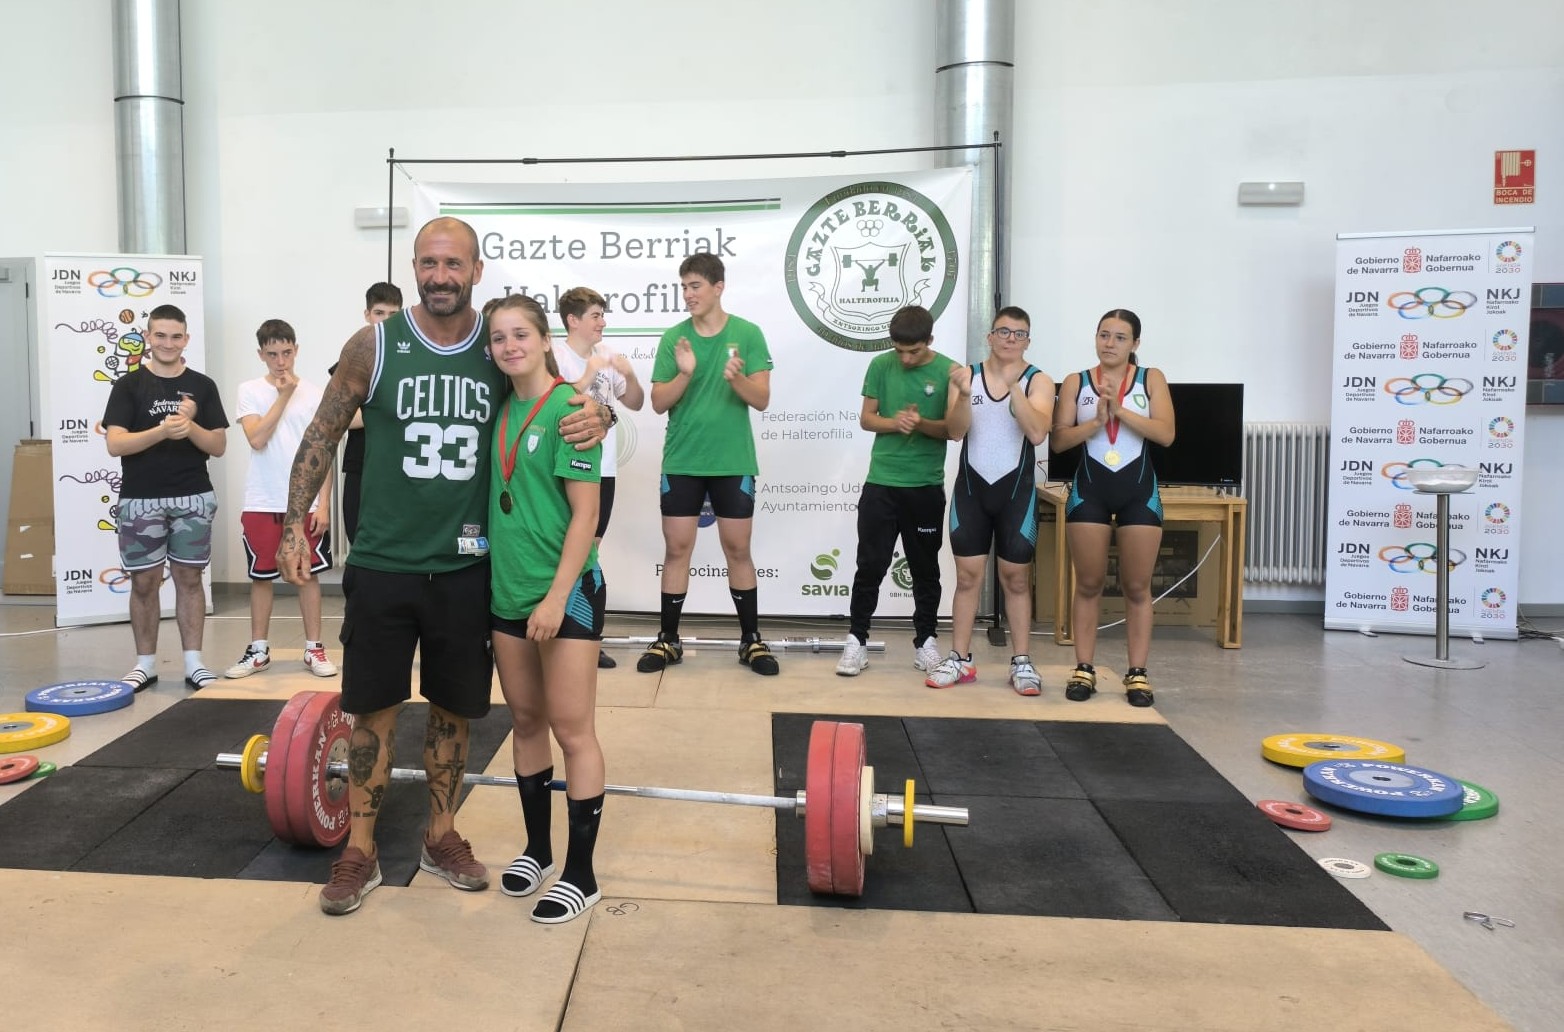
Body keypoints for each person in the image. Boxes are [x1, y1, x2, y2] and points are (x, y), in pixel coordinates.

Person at [276, 216, 611, 917]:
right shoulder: (375, 344)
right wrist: (291, 526)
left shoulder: (496, 351)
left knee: (456, 713)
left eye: (452, 263)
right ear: (414, 267)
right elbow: (320, 433)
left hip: (465, 570)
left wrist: (601, 413)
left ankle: (441, 834)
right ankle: (360, 851)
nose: (439, 275)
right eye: (428, 262)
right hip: (384, 562)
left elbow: (566, 394)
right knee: (372, 712)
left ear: (476, 270)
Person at [485, 295, 608, 924]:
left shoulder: (571, 410)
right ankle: (537, 848)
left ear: (543, 339)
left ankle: (581, 873)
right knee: (526, 723)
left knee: (571, 728)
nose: (510, 347)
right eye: (499, 338)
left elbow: (586, 515)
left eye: (520, 335)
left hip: (567, 594)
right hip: (507, 594)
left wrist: (558, 597)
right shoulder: (499, 411)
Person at [639, 253, 778, 677]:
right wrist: (685, 373)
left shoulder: (748, 333)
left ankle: (750, 640)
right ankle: (668, 639)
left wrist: (736, 378)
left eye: (695, 286)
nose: (688, 295)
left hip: (732, 462)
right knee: (677, 550)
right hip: (683, 461)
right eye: (683, 287)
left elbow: (762, 399)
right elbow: (658, 403)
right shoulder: (674, 338)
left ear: (719, 287)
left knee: (738, 551)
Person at [1048, 309, 1175, 707]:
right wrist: (1096, 422)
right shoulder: (1076, 382)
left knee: (1138, 588)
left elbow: (1166, 434)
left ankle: (1137, 673)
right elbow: (1058, 442)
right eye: (1104, 335)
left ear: (1135, 344)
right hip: (1090, 490)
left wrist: (1119, 411)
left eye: (1120, 337)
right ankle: (1083, 667)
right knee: (1088, 584)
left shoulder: (1151, 378)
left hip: (1139, 492)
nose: (1110, 343)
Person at [102, 304, 229, 691]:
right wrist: (162, 431)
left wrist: (188, 426)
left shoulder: (203, 386)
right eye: (160, 335)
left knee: (190, 579)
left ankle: (194, 662)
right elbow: (115, 443)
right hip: (140, 500)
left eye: (176, 336)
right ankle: (145, 664)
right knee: (144, 582)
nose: (168, 343)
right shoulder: (128, 386)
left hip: (192, 496)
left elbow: (219, 445)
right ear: (148, 337)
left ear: (186, 339)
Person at [930, 307, 1055, 694]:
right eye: (1003, 331)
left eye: (1019, 334)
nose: (1010, 339)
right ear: (990, 336)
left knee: (1015, 578)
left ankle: (1021, 661)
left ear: (1028, 341)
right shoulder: (966, 377)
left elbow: (1036, 434)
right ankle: (960, 659)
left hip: (1015, 493)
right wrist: (965, 395)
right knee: (967, 577)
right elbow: (954, 432)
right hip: (973, 490)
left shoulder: (1040, 381)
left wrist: (1015, 385)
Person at [835, 305, 960, 680]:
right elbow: (866, 418)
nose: (905, 358)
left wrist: (921, 424)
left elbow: (953, 430)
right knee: (869, 565)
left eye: (914, 352)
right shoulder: (880, 366)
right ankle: (857, 640)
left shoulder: (950, 371)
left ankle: (925, 641)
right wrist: (896, 422)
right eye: (899, 350)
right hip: (882, 483)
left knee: (925, 569)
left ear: (930, 342)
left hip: (924, 485)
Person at [224, 319, 337, 680]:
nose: (280, 360)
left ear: (296, 350)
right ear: (261, 355)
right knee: (261, 576)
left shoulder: (317, 393)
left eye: (286, 352)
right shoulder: (250, 390)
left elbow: (324, 451)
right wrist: (284, 395)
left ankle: (314, 649)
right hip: (262, 499)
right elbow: (256, 439)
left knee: (307, 575)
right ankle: (258, 650)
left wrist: (323, 503)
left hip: (303, 502)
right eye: (272, 354)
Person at [554, 285, 645, 670]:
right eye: (595, 315)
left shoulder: (606, 358)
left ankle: (586, 636)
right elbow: (555, 403)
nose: (603, 322)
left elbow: (637, 402)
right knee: (564, 546)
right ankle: (564, 630)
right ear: (573, 320)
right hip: (564, 468)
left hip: (602, 470)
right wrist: (590, 372)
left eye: (603, 315)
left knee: (589, 551)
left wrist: (629, 374)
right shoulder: (554, 355)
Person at [330, 282, 402, 546]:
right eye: (379, 313)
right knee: (358, 539)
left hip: (400, 466)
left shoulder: (409, 360)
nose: (385, 320)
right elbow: (343, 418)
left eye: (393, 315)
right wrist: (389, 412)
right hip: (361, 463)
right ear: (367, 314)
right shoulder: (354, 358)